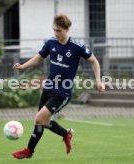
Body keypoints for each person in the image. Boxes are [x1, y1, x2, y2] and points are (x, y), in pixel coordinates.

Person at [12, 14, 105, 159]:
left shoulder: (77, 47)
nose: (56, 33)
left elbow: (94, 61)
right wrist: (23, 66)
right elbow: (38, 58)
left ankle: (29, 150)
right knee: (40, 122)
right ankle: (64, 135)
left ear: (67, 30)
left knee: (39, 119)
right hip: (49, 88)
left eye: (59, 31)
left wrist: (98, 80)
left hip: (62, 92)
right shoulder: (50, 42)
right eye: (54, 30)